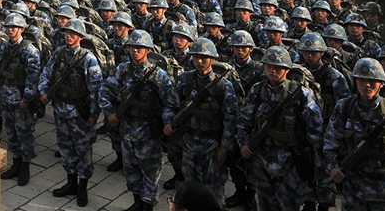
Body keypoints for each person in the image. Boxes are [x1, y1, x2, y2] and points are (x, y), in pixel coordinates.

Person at [236, 46, 323, 211]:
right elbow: (243, 122)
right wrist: (243, 144)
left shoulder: (301, 94)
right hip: (261, 158)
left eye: (278, 67)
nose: (273, 70)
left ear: (287, 69)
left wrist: (317, 166)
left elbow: (315, 132)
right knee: (265, 202)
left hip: (291, 163)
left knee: (288, 205)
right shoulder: (257, 90)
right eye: (269, 66)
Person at [100, 29, 178, 211]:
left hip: (149, 133)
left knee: (150, 172)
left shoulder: (159, 75)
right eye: (132, 47)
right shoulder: (122, 70)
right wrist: (110, 112)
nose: (135, 50)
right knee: (130, 170)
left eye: (140, 47)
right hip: (127, 129)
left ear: (148, 50)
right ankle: (137, 202)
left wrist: (167, 123)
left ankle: (147, 206)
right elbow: (106, 89)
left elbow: (171, 103)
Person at [165, 39, 238, 206]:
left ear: (212, 59)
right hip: (189, 142)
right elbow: (171, 105)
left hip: (212, 146)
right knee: (190, 189)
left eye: (204, 58)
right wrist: (169, 122)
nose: (199, 61)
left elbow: (230, 120)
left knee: (214, 192)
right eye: (196, 57)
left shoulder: (223, 86)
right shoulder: (185, 79)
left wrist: (225, 149)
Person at [39, 18, 102, 205]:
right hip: (60, 110)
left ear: (80, 37)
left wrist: (93, 115)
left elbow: (96, 89)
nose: (69, 36)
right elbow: (46, 73)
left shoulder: (88, 58)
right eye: (67, 32)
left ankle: (82, 187)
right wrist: (43, 92)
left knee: (83, 151)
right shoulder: (58, 53)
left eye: (73, 33)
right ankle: (70, 182)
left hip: (79, 114)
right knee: (65, 149)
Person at [323, 58, 385, 211]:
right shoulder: (344, 107)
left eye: (372, 81)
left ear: (381, 83)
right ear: (355, 82)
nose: (367, 85)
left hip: (384, 188)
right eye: (362, 80)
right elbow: (330, 142)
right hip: (353, 185)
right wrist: (333, 167)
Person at [0, 13, 41, 187]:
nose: (10, 30)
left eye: (14, 27)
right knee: (11, 134)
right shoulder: (5, 46)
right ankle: (16, 163)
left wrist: (27, 98)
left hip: (20, 100)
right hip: (5, 96)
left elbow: (33, 76)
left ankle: (25, 168)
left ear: (21, 29)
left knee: (24, 134)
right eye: (8, 27)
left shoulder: (30, 50)